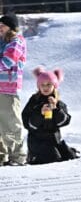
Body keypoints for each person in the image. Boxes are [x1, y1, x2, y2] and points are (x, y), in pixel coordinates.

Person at [22, 66, 78, 164]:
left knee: (70, 156)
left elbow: (64, 121)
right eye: (42, 85)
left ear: (54, 86)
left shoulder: (58, 102)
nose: (45, 87)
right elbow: (27, 123)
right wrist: (40, 114)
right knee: (54, 158)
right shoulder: (34, 101)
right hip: (38, 141)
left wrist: (56, 109)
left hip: (54, 139)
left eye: (48, 84)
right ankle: (32, 156)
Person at [0, 13, 27, 166]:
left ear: (11, 27)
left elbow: (8, 61)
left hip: (9, 88)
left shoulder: (17, 41)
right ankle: (1, 155)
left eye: (3, 25)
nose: (0, 28)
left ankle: (17, 156)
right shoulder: (1, 42)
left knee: (10, 123)